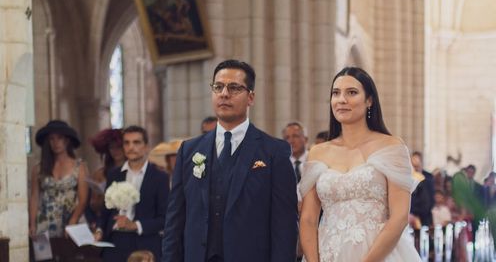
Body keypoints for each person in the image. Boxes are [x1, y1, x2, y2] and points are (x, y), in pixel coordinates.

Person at [162, 59, 298, 261]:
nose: (224, 94)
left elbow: (284, 227)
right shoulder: (189, 150)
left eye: (234, 88)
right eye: (218, 87)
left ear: (250, 97)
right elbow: (175, 220)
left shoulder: (274, 152)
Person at [299, 66, 421, 262]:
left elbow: (398, 218)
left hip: (379, 254)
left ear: (369, 100)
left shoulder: (391, 147)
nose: (342, 100)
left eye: (352, 93)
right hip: (328, 252)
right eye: (336, 93)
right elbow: (308, 218)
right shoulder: (318, 152)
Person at [97, 126, 169, 262]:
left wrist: (135, 225)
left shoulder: (160, 177)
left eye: (136, 142)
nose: (131, 147)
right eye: (127, 143)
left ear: (146, 146)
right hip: (114, 244)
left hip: (144, 245)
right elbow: (105, 211)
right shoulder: (114, 174)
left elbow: (165, 218)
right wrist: (100, 230)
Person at [29, 120, 89, 238]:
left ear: (67, 140)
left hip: (72, 220)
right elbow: (34, 197)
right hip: (45, 222)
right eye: (52, 139)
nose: (56, 143)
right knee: (45, 256)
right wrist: (32, 224)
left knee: (73, 255)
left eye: (59, 138)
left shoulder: (80, 167)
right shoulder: (38, 169)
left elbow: (83, 199)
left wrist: (73, 220)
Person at [86, 128, 125, 229]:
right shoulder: (100, 174)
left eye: (119, 147)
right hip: (106, 223)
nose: (115, 151)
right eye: (112, 148)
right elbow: (92, 206)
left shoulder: (134, 171)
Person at [409, 151, 435, 228]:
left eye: (417, 165)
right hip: (411, 214)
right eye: (413, 165)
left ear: (421, 163)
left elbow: (430, 198)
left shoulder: (428, 177)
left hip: (424, 215)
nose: (415, 168)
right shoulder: (408, 177)